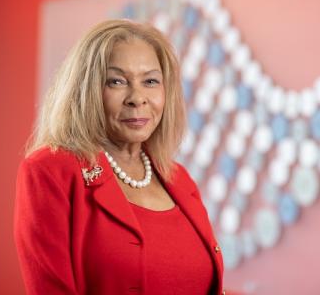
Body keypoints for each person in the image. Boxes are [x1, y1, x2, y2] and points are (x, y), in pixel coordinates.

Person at [14, 19, 225, 295]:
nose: (137, 98)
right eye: (117, 81)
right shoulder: (50, 172)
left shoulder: (178, 177)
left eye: (150, 81)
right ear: (86, 91)